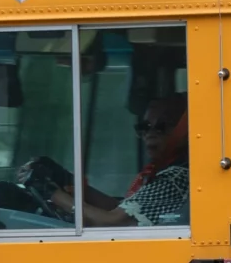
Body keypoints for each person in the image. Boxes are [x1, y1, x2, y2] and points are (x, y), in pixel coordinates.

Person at [21, 94, 189, 226]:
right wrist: (65, 177)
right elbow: (120, 209)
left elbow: (109, 221)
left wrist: (51, 193)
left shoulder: (176, 177)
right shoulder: (160, 171)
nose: (150, 134)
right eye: (144, 127)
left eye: (162, 126)